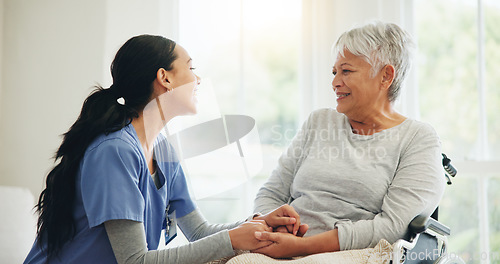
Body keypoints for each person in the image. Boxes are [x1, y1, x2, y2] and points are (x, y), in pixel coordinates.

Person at [24, 34, 302, 264]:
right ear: (164, 78)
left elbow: (199, 231)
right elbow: (134, 260)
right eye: (191, 69)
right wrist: (233, 239)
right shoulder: (115, 151)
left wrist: (259, 224)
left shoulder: (164, 152)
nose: (199, 80)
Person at [252, 21, 446, 258]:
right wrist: (270, 224)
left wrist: (302, 247)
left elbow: (393, 227)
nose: (335, 82)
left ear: (385, 76)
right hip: (282, 247)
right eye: (334, 72)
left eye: (346, 71)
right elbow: (271, 193)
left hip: (355, 253)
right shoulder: (319, 122)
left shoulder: (418, 139)